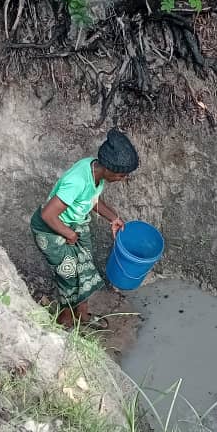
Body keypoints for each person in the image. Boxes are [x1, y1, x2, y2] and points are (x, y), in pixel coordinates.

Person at [30, 129, 139, 329]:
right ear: (108, 168)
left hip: (74, 224)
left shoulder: (96, 172)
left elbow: (91, 199)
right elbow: (48, 215)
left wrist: (113, 217)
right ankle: (64, 325)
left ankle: (82, 317)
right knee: (70, 278)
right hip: (51, 230)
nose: (123, 178)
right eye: (122, 174)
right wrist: (69, 234)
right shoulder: (77, 180)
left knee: (84, 270)